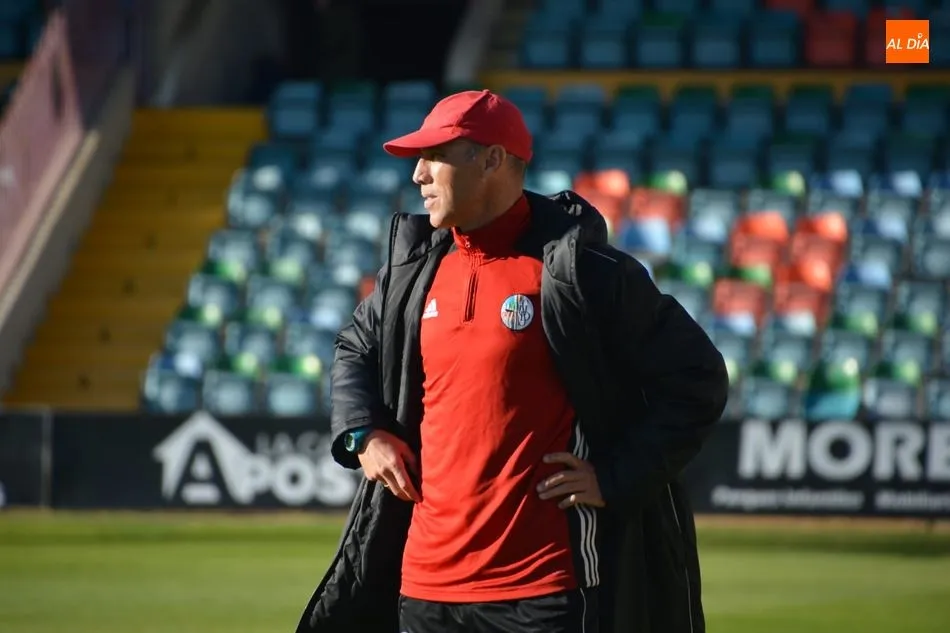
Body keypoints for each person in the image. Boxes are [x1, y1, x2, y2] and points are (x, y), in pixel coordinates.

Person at [294, 90, 729, 633]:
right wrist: (363, 434)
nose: (418, 176)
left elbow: (699, 379)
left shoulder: (583, 273)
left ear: (494, 160)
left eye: (437, 156)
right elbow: (354, 347)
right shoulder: (413, 271)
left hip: (545, 590)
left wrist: (615, 478)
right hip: (424, 589)